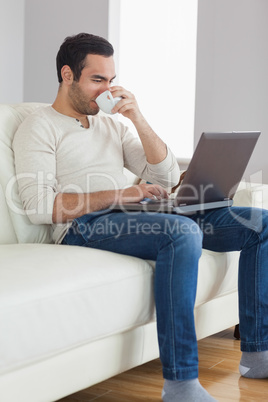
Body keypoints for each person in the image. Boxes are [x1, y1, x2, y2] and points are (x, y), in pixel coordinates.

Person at [12, 33, 268, 402]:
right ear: (67, 75)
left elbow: (165, 175)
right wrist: (123, 194)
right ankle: (180, 383)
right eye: (97, 79)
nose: (107, 89)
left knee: (259, 224)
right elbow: (41, 207)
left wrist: (137, 117)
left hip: (132, 214)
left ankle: (258, 356)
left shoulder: (111, 125)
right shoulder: (39, 127)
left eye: (111, 80)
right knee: (181, 234)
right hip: (83, 226)